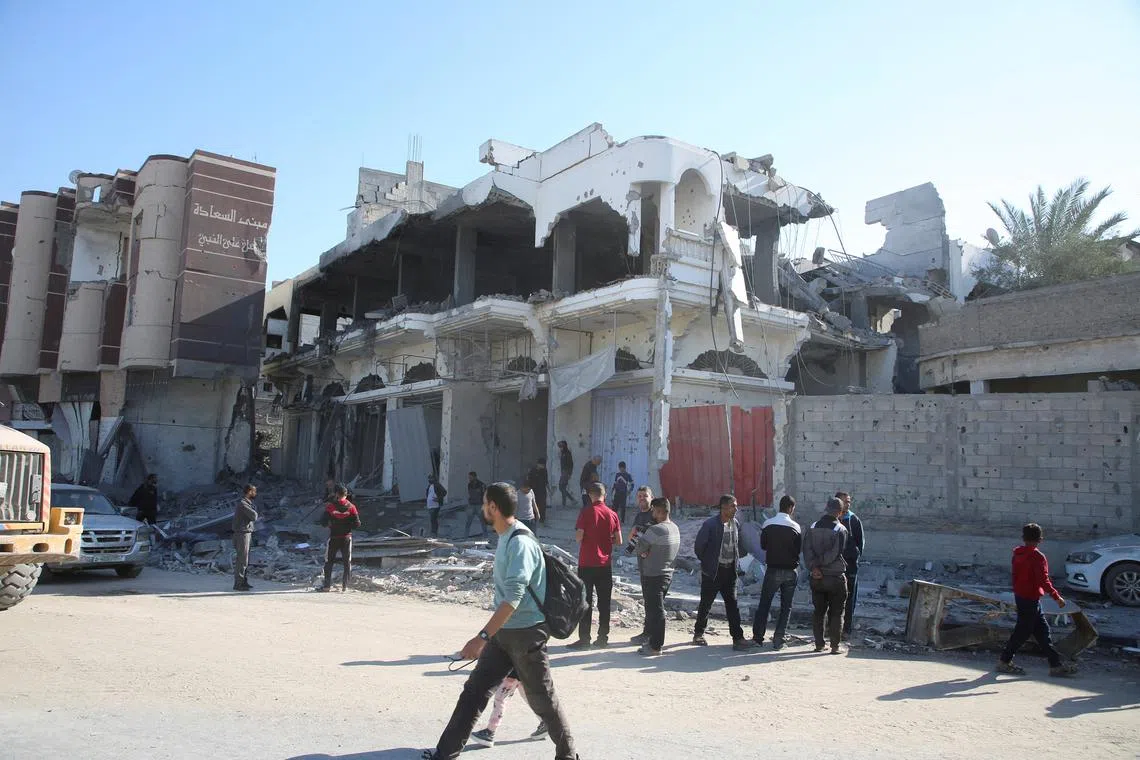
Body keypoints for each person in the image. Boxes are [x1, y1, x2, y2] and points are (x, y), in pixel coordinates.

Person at [422, 482, 577, 760]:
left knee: (543, 699)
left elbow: (513, 599)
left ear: (493, 507)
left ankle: (568, 755)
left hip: (527, 634)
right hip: (506, 634)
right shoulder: (506, 536)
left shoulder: (520, 542)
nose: (483, 508)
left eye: (484, 504)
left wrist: (481, 638)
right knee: (474, 691)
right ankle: (445, 753)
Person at [996, 523, 1077, 677]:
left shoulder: (1017, 554)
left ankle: (1055, 665)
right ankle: (1004, 661)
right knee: (1023, 632)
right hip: (1030, 598)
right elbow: (1043, 580)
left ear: (1023, 538)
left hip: (1022, 596)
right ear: (1040, 539)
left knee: (1042, 631)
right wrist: (1056, 596)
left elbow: (1015, 576)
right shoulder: (1037, 557)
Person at [692, 494, 755, 651]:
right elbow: (699, 548)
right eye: (733, 506)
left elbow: (736, 545)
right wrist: (708, 564)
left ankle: (738, 638)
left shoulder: (735, 523)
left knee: (733, 605)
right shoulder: (710, 525)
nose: (736, 509)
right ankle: (698, 633)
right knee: (706, 604)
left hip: (730, 572)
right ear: (724, 508)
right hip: (713, 572)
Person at [568, 482, 622, 650]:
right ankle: (603, 638)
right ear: (604, 495)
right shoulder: (612, 514)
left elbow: (578, 537)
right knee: (604, 602)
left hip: (587, 563)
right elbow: (619, 540)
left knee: (585, 601)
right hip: (605, 564)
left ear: (590, 495)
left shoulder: (585, 512)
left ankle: (584, 639)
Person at [752, 495, 802, 649]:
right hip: (790, 571)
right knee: (786, 606)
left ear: (779, 507)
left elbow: (763, 545)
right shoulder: (796, 527)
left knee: (764, 603)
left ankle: (758, 638)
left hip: (772, 570)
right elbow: (797, 550)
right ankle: (778, 639)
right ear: (791, 508)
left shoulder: (767, 524)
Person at [634, 497, 680, 656]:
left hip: (653, 575)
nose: (652, 513)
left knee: (655, 611)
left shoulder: (656, 529)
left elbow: (638, 548)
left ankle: (655, 645)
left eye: (653, 510)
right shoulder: (674, 528)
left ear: (659, 511)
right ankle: (653, 641)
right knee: (655, 610)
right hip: (667, 574)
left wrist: (641, 538)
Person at [802, 497, 849, 654]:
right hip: (834, 577)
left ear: (826, 508)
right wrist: (821, 565)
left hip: (817, 578)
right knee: (836, 612)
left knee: (818, 612)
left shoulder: (813, 527)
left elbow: (807, 550)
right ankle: (835, 646)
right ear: (840, 512)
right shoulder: (840, 530)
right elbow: (835, 553)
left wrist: (814, 567)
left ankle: (819, 644)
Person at [470, 672, 549, 748]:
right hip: (524, 671)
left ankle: (490, 731)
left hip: (512, 673)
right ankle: (546, 722)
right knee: (529, 698)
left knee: (500, 700)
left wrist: (512, 674)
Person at [627, 486, 657, 646]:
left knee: (653, 599)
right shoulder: (639, 516)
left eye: (645, 496)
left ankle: (650, 634)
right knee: (648, 598)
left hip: (654, 563)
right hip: (643, 563)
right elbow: (633, 535)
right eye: (639, 496)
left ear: (651, 497)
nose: (642, 498)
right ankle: (648, 632)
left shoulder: (656, 515)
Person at [318, 484, 360, 592]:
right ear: (346, 495)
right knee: (347, 562)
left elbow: (322, 522)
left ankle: (327, 586)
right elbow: (357, 524)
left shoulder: (331, 507)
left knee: (329, 561)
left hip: (334, 537)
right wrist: (347, 526)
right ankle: (345, 587)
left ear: (337, 494)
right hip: (346, 538)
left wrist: (332, 525)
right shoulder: (352, 507)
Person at [836, 490, 864, 638]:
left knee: (850, 596)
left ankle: (846, 628)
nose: (848, 504)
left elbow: (860, 543)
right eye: (844, 501)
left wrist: (854, 556)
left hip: (850, 565)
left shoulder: (853, 520)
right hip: (833, 566)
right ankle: (832, 627)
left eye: (849, 501)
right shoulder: (831, 519)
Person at [231, 484, 258, 592]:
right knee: (242, 560)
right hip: (242, 534)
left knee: (245, 560)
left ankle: (243, 582)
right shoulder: (243, 504)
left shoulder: (247, 503)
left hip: (245, 533)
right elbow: (254, 516)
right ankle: (238, 584)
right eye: (254, 491)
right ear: (249, 491)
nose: (255, 494)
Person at [526, 458, 550, 525]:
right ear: (538, 464)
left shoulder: (544, 471)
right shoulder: (532, 471)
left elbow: (546, 481)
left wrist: (549, 490)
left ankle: (542, 520)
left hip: (542, 490)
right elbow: (528, 480)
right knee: (534, 504)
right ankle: (533, 519)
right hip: (534, 490)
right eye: (542, 465)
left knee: (542, 505)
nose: (543, 466)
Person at [465, 472, 487, 537]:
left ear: (475, 477)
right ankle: (465, 536)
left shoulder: (481, 485)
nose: (469, 478)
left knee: (482, 521)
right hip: (472, 504)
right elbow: (470, 494)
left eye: (470, 477)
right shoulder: (469, 485)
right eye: (469, 477)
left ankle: (485, 536)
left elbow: (485, 495)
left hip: (479, 505)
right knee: (468, 521)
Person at [557, 441, 574, 507]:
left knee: (561, 487)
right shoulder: (563, 453)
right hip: (563, 472)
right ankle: (565, 503)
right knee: (563, 488)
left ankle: (571, 500)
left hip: (566, 472)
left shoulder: (567, 453)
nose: (560, 448)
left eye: (561, 447)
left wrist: (569, 474)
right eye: (560, 447)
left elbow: (571, 464)